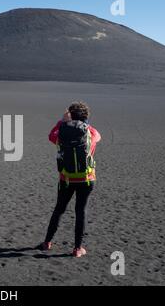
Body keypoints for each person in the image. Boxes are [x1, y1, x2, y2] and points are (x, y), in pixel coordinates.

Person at [41, 102, 101, 258]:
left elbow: (50, 136)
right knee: (80, 211)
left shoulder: (61, 133)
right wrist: (84, 123)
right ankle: (77, 249)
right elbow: (98, 136)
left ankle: (47, 242)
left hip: (66, 179)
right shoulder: (90, 133)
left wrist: (61, 122)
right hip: (86, 179)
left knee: (59, 209)